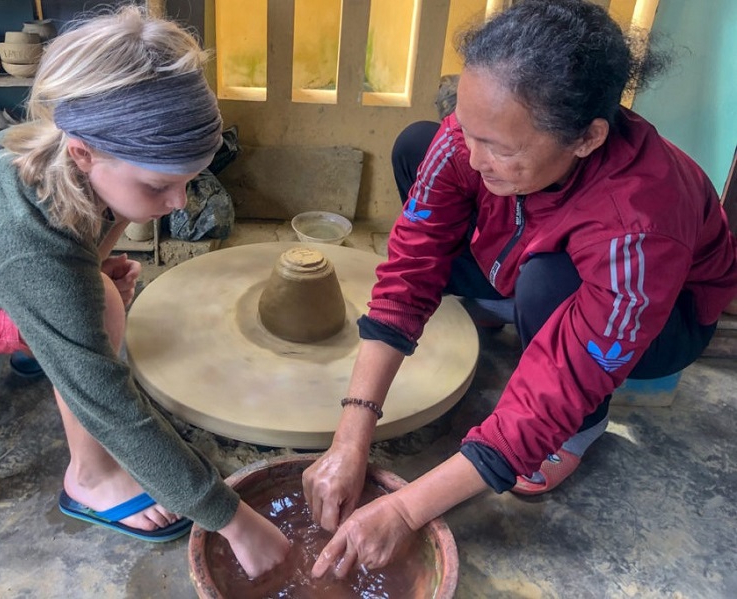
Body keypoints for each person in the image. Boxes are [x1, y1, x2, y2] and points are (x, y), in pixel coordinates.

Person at [304, 0, 737, 578]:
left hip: (659, 318)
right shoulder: (476, 141)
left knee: (548, 284)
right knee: (420, 145)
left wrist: (405, 510)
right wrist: (351, 436)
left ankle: (584, 429)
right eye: (471, 129)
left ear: (587, 139)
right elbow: (412, 263)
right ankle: (500, 303)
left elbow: (559, 383)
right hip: (524, 243)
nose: (473, 155)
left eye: (501, 148)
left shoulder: (639, 223)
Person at [0, 5, 288, 578]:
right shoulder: (30, 244)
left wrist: (90, 265)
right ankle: (90, 481)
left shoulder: (61, 150)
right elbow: (108, 403)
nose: (181, 203)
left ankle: (41, 343)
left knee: (88, 286)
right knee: (101, 308)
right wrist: (230, 518)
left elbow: (77, 242)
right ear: (85, 153)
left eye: (189, 180)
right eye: (161, 184)